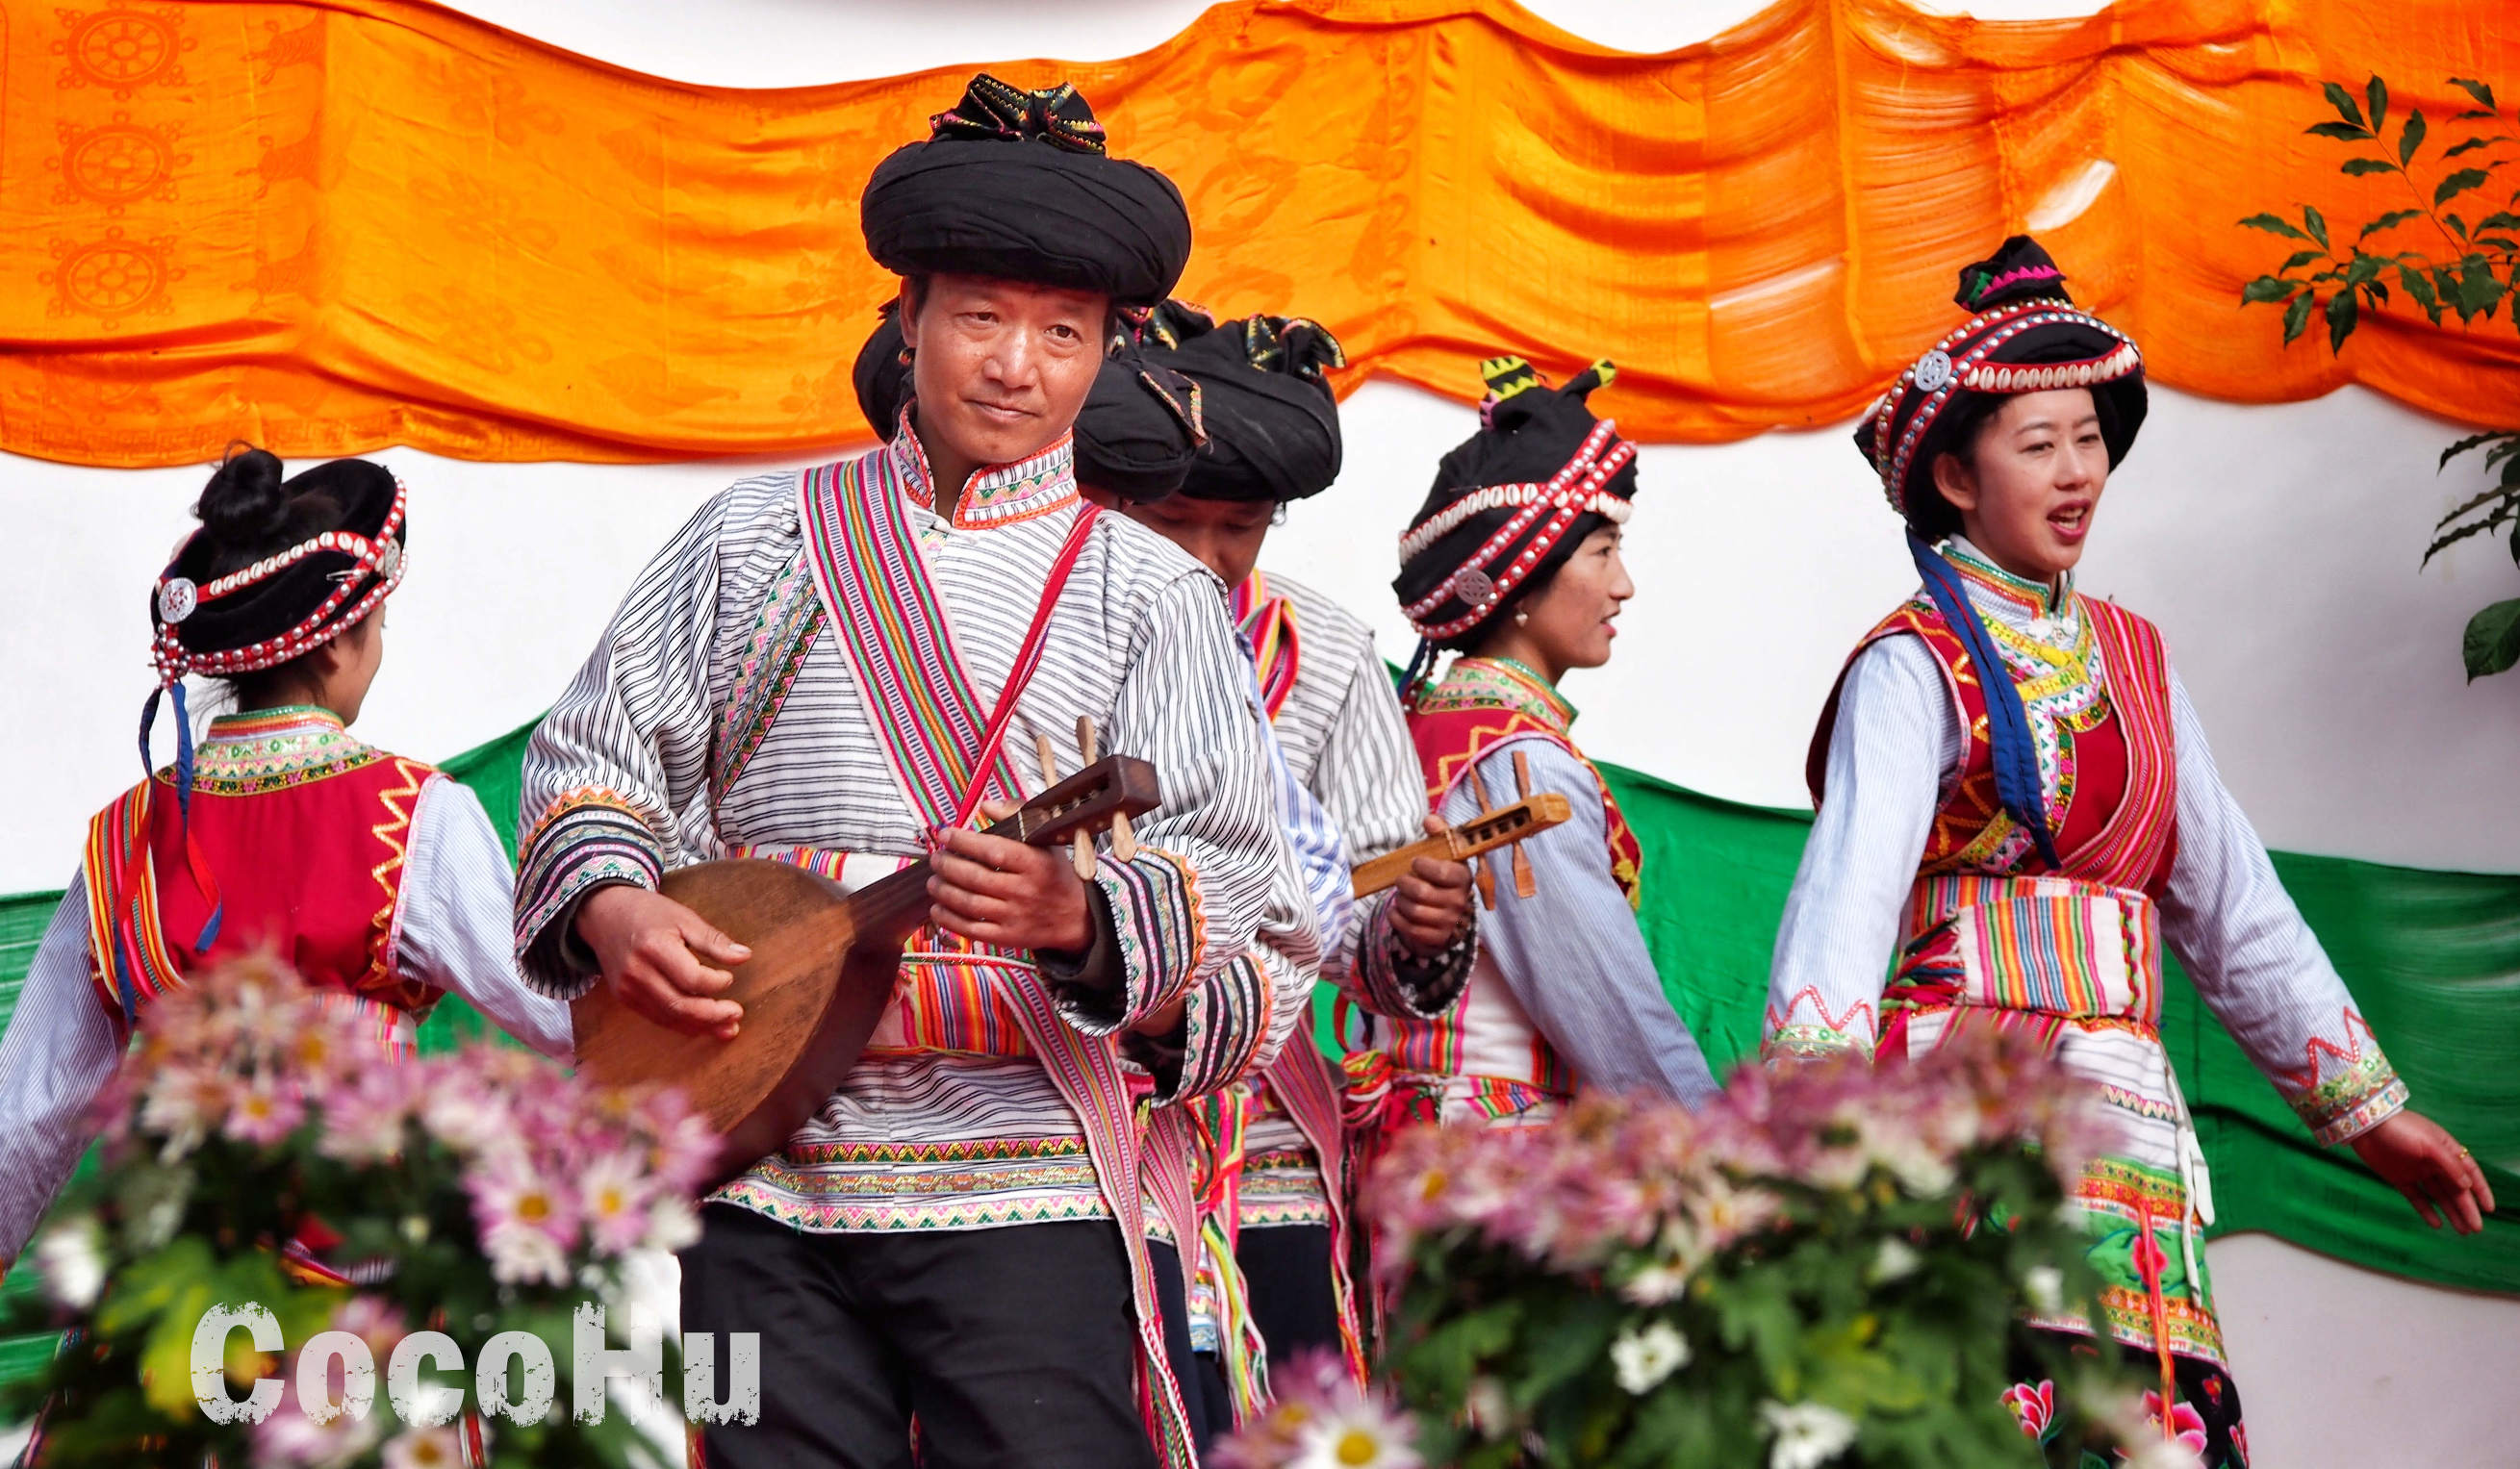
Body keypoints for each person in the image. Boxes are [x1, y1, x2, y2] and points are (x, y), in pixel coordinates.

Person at [515, 75, 1316, 1469]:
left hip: (1025, 1176)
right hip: (761, 1152)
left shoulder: (1149, 592)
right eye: (979, 317)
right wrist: (615, 907)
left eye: (1060, 332)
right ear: (906, 317)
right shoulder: (747, 537)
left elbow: (1247, 877)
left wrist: (1085, 919)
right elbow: (595, 751)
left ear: (1109, 352)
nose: (1014, 364)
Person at [1764, 236, 2496, 1466]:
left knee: (2154, 1424)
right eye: (2036, 443)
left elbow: (2233, 909)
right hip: (1964, 1111)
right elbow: (1844, 905)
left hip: (2130, 1126)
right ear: (1952, 473)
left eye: (2089, 440)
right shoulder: (1912, 664)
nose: (2075, 472)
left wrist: (2369, 1115)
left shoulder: (2139, 662)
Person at [0, 446, 574, 1269]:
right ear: (337, 645)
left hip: (174, 1316)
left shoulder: (122, 841)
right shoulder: (410, 813)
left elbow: (27, 1113)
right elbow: (557, 1006)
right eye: (378, 628)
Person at [1107, 305, 1481, 1422]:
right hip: (1077, 1114)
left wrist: (1416, 928)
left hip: (1260, 1134)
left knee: (1285, 1425)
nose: (1211, 557)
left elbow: (1366, 926)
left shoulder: (1325, 654)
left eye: (1244, 527)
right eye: (1178, 520)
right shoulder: (1059, 633)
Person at [1362, 356, 1722, 1136]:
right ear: (1520, 585)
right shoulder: (1516, 759)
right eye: (1600, 553)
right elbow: (1603, 1000)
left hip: (1408, 1141)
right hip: (1501, 1147)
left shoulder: (1415, 728)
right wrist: (1719, 1147)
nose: (1622, 584)